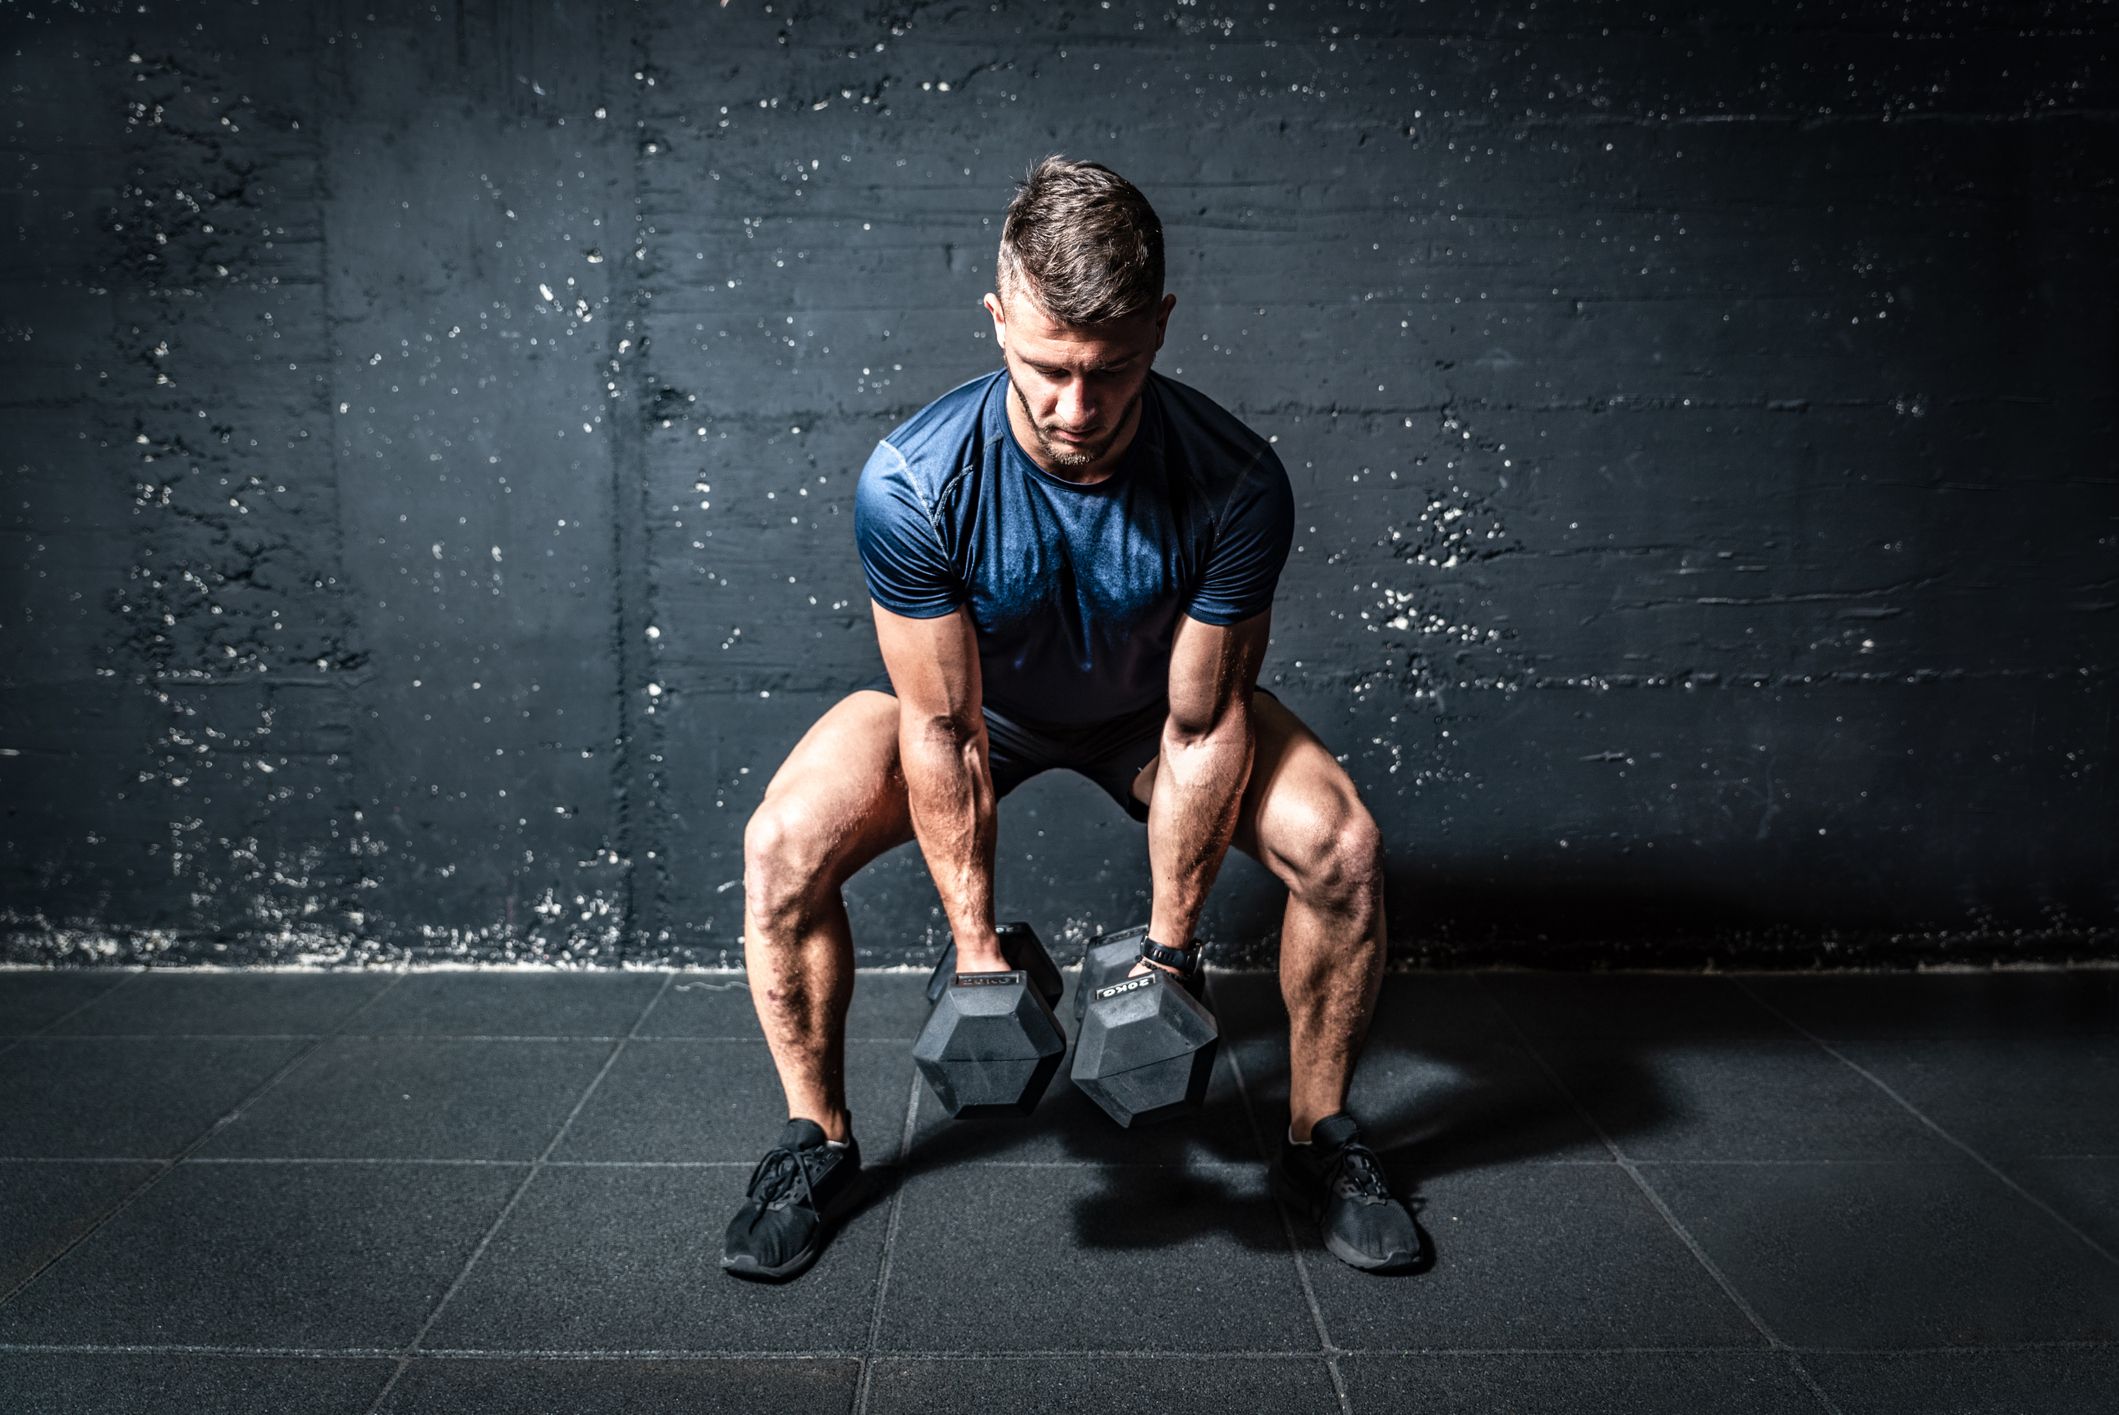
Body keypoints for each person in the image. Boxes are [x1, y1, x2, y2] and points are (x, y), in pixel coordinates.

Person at [720, 156, 1416, 1282]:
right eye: (1047, 369)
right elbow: (941, 728)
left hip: (1150, 716)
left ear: (1161, 326)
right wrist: (977, 950)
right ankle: (817, 1142)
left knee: (1341, 846)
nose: (1077, 408)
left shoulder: (1234, 482)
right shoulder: (912, 480)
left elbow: (1199, 728)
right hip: (975, 712)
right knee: (782, 844)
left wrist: (1173, 954)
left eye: (1114, 369)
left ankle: (1318, 1136)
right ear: (997, 319)